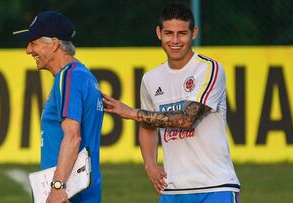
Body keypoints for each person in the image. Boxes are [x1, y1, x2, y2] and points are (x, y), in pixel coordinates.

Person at [103, 3, 240, 203]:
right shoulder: (151, 79)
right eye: (169, 33)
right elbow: (148, 126)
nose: (175, 40)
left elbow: (187, 119)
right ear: (159, 33)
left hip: (215, 186)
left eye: (182, 33)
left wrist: (132, 113)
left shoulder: (210, 69)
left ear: (194, 33)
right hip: (172, 190)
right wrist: (150, 164)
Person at [14, 11, 104, 203]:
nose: (28, 50)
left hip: (69, 194)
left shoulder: (69, 77)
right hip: (83, 192)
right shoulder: (84, 75)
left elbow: (73, 137)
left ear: (54, 44)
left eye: (33, 43)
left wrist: (57, 187)